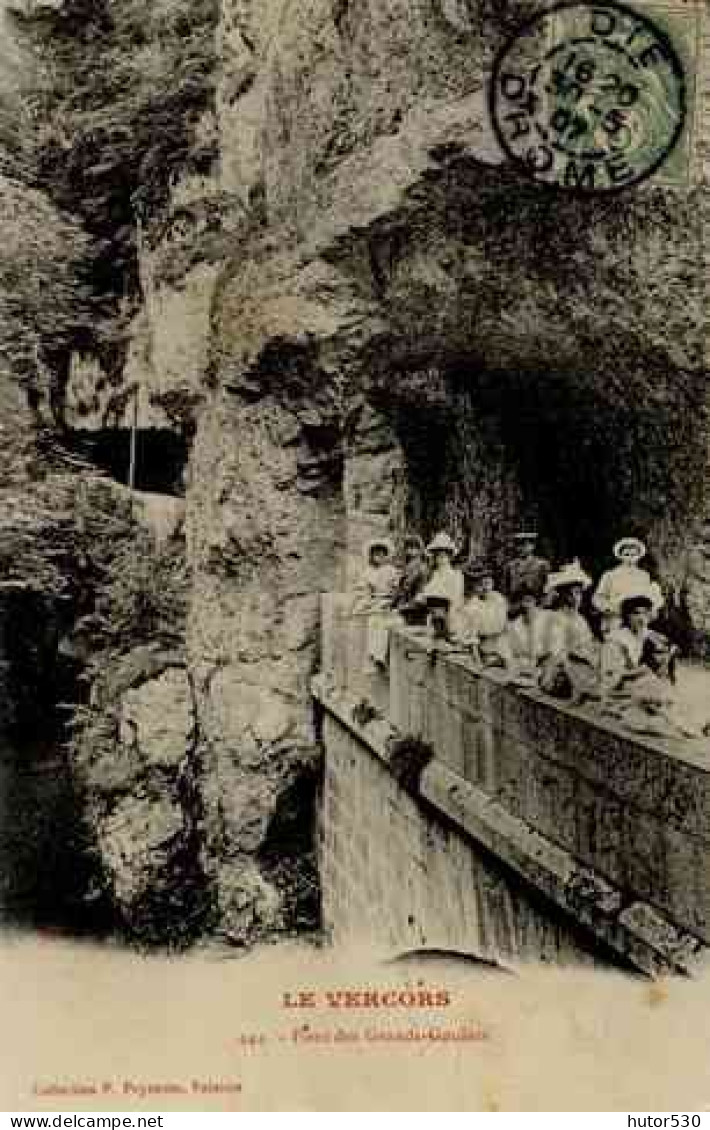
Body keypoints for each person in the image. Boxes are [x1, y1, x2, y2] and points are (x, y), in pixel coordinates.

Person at [600, 593, 697, 738]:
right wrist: (644, 670)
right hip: (621, 692)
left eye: (645, 613)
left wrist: (667, 657)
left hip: (646, 686)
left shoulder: (652, 636)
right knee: (654, 699)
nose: (641, 618)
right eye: (635, 613)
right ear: (626, 616)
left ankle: (685, 724)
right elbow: (612, 677)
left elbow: (665, 669)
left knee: (673, 697)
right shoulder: (616, 639)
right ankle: (679, 726)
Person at [538, 560, 600, 702]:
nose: (576, 598)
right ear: (563, 595)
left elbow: (588, 643)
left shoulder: (580, 619)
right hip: (562, 666)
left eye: (578, 593)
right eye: (571, 593)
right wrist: (578, 655)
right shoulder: (556, 618)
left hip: (582, 662)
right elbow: (556, 651)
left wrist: (592, 655)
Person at [592, 537, 663, 632]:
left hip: (637, 620)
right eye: (627, 554)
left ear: (638, 556)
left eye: (633, 555)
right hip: (617, 619)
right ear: (621, 556)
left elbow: (649, 597)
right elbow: (597, 598)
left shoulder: (644, 575)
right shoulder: (610, 575)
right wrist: (611, 608)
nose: (630, 558)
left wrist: (650, 609)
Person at [452, 559, 511, 668]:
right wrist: (478, 662)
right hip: (481, 652)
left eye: (488, 582)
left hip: (501, 649)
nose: (485, 587)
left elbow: (505, 628)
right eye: (480, 584)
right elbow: (472, 638)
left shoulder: (499, 599)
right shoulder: (471, 605)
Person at [352, 537, 399, 667]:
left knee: (381, 621)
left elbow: (396, 590)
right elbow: (364, 590)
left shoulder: (391, 570)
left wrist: (390, 600)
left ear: (385, 556)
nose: (378, 557)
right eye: (376, 554)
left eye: (381, 554)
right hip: (374, 600)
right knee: (371, 620)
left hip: (387, 601)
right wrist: (368, 600)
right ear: (371, 556)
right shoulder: (368, 572)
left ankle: (380, 656)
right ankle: (373, 654)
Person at [505, 581, 558, 688]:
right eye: (522, 601)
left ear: (535, 601)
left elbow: (553, 651)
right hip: (524, 670)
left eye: (529, 601)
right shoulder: (515, 625)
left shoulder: (547, 619)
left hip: (545, 668)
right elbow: (514, 655)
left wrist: (544, 670)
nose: (525, 605)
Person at [503, 530, 550, 615]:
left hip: (536, 607)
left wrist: (541, 606)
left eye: (525, 545)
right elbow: (506, 590)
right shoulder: (510, 566)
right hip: (515, 608)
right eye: (519, 545)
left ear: (533, 546)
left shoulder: (541, 565)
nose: (521, 548)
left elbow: (547, 588)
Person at [391, 534, 429, 624]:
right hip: (406, 605)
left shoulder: (422, 568)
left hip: (416, 608)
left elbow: (421, 591)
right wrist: (395, 602)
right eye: (408, 548)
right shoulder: (407, 567)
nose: (411, 551)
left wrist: (404, 605)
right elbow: (401, 588)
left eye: (414, 548)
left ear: (420, 549)